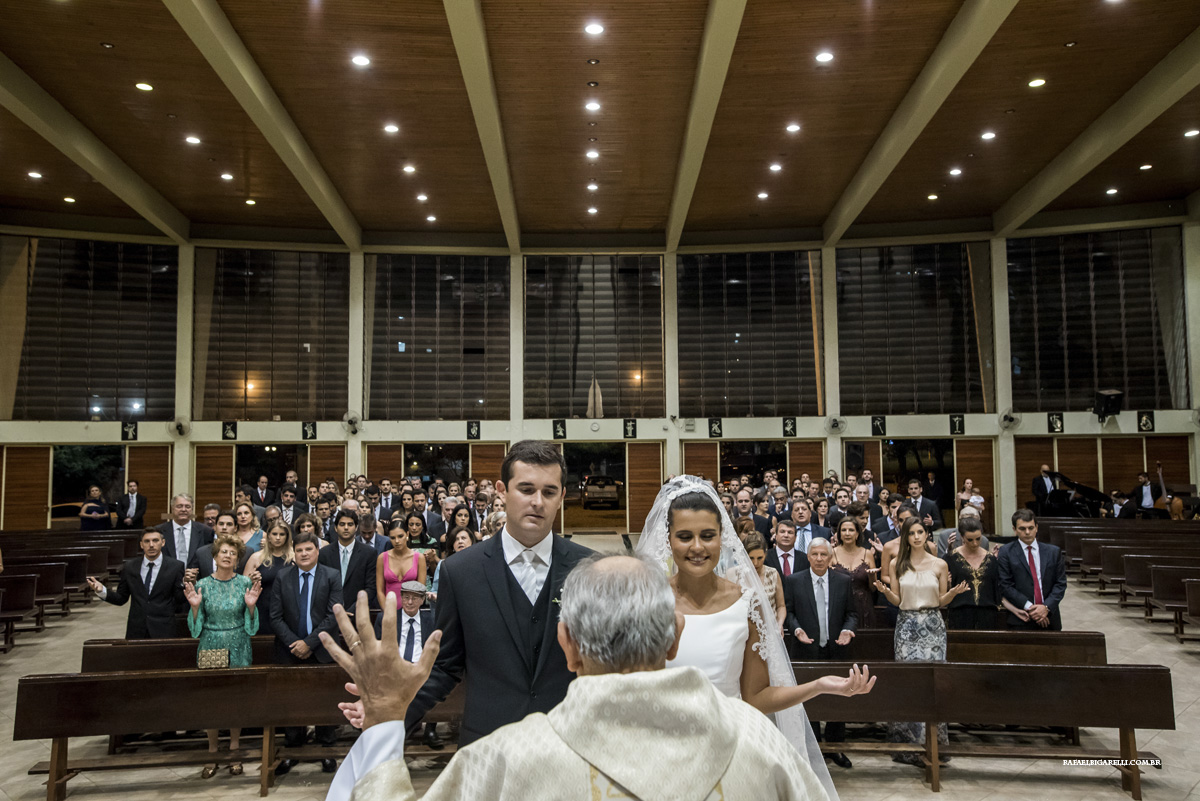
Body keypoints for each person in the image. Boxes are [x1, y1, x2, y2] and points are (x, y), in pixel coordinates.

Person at [325, 554, 846, 801]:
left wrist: (385, 721)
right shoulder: (758, 743)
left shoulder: (504, 759)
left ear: (566, 643)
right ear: (673, 638)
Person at [636, 477, 875, 801]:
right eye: (684, 537)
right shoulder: (649, 601)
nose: (696, 547)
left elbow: (757, 696)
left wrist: (818, 685)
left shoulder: (746, 604)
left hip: (731, 750)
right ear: (668, 540)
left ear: (722, 539)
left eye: (707, 536)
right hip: (664, 750)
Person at [400, 441, 594, 746]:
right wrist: (391, 714)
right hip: (487, 745)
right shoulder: (461, 571)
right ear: (502, 490)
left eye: (549, 492)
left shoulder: (591, 568)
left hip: (571, 743)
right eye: (526, 489)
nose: (538, 502)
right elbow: (446, 666)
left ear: (562, 497)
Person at [872, 518, 968, 763]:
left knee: (932, 682)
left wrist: (953, 594)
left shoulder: (940, 564)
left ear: (927, 535)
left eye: (920, 532)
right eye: (911, 533)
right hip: (906, 626)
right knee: (908, 681)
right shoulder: (897, 563)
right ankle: (906, 745)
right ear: (905, 537)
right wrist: (885, 592)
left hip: (933, 625)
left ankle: (934, 744)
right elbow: (897, 600)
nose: (916, 537)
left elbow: (941, 600)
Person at [183, 534, 261, 778]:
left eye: (233, 553)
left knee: (236, 699)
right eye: (223, 552)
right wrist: (195, 607)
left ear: (238, 560)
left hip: (238, 644)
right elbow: (195, 630)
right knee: (212, 699)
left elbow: (252, 627)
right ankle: (212, 750)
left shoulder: (244, 583)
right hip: (210, 644)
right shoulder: (202, 585)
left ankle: (235, 748)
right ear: (215, 557)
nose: (228, 556)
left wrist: (250, 605)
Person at [271, 531, 342, 775]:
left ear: (317, 551)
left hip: (322, 648)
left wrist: (309, 643)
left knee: (324, 700)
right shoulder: (283, 576)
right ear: (294, 552)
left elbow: (333, 615)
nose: (303, 554)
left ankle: (327, 750)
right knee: (292, 702)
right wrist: (296, 643)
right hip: (289, 651)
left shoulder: (331, 575)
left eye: (308, 550)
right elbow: (275, 616)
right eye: (299, 550)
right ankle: (292, 750)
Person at [783, 537, 858, 768]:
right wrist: (796, 630)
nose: (818, 559)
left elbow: (852, 614)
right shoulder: (794, 581)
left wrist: (847, 630)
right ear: (808, 557)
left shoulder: (843, 581)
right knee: (809, 700)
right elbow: (789, 611)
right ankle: (813, 750)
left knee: (838, 700)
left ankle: (836, 749)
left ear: (830, 557)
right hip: (806, 649)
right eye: (814, 554)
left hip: (836, 649)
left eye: (823, 555)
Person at [375, 581, 442, 750]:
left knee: (435, 682)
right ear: (401, 598)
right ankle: (396, 732)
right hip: (395, 670)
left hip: (422, 669)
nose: (409, 602)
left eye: (414, 598)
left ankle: (431, 729)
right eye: (406, 598)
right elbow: (377, 648)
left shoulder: (432, 619)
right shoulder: (386, 619)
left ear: (422, 600)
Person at [87, 527, 185, 638]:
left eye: (155, 540)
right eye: (147, 541)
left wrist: (189, 585)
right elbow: (121, 598)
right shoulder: (130, 567)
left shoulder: (176, 566)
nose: (151, 545)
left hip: (164, 628)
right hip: (137, 629)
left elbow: (179, 599)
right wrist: (102, 591)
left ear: (163, 543)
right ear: (141, 544)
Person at [997, 510, 1067, 630]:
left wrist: (1046, 607)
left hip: (1050, 617)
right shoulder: (1006, 552)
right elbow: (1005, 585)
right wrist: (1032, 608)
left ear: (1036, 528)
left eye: (1031, 528)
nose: (1027, 532)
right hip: (1021, 617)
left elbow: (1060, 584)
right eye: (1022, 529)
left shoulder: (1053, 552)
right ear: (1014, 529)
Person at [320, 509, 377, 632]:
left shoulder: (369, 553)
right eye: (342, 524)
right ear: (335, 528)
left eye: (350, 524)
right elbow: (321, 587)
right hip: (329, 617)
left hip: (357, 616)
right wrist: (335, 611)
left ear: (356, 528)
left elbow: (371, 588)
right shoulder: (324, 553)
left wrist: (351, 611)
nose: (346, 528)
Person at [945, 516, 1002, 629]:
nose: (975, 543)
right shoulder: (950, 558)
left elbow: (996, 588)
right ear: (962, 537)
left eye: (978, 538)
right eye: (970, 540)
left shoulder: (991, 559)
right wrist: (948, 585)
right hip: (959, 614)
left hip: (987, 614)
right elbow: (944, 590)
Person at [243, 522, 294, 639]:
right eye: (274, 534)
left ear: (287, 537)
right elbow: (243, 586)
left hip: (288, 610)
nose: (277, 537)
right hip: (263, 609)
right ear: (268, 536)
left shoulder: (294, 557)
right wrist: (250, 580)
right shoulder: (256, 557)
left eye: (282, 534)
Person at [830, 517, 877, 628]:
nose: (847, 533)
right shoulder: (831, 553)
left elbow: (873, 588)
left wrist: (871, 576)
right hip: (839, 606)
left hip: (864, 606)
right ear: (839, 534)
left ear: (857, 534)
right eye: (843, 530)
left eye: (851, 530)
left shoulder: (867, 554)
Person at [742, 533, 786, 634]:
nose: (755, 563)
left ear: (765, 555)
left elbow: (781, 606)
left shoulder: (773, 574)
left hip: (770, 631)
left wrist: (779, 624)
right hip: (744, 632)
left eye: (760, 558)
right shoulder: (735, 574)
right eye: (751, 558)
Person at [378, 517, 426, 605]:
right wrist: (387, 612)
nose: (397, 541)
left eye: (400, 536)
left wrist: (411, 612)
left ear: (407, 534)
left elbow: (421, 591)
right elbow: (380, 591)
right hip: (389, 609)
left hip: (412, 610)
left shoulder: (419, 558)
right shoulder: (382, 558)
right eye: (393, 538)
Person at [157, 494, 213, 569]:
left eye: (187, 506)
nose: (183, 510)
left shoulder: (206, 531)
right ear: (172, 508)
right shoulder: (159, 531)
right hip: (168, 577)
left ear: (192, 509)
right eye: (179, 506)